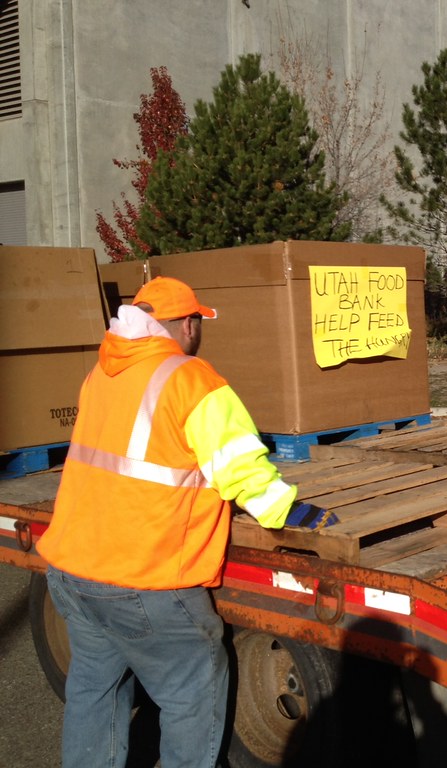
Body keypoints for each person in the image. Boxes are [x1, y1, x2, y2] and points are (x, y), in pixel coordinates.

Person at [36, 276, 336, 768]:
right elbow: (240, 467)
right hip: (144, 579)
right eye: (198, 321)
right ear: (188, 324)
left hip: (73, 570)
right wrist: (291, 511)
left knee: (93, 690)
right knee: (190, 694)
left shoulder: (102, 373)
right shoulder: (190, 379)